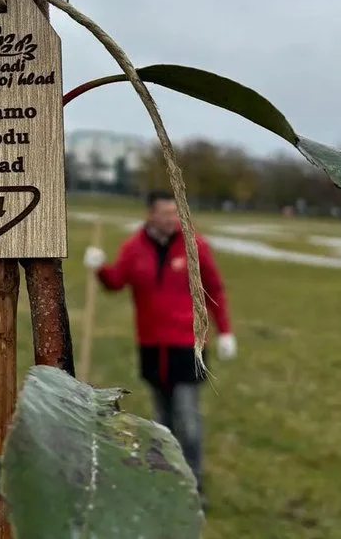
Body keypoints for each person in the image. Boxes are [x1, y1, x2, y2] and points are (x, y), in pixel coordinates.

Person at [83, 190, 236, 504]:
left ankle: (193, 486)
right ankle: (165, 479)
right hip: (152, 347)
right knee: (161, 421)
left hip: (187, 346)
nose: (171, 219)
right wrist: (100, 268)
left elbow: (215, 287)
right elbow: (116, 282)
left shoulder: (195, 246)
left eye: (174, 213)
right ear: (150, 214)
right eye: (165, 213)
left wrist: (225, 332)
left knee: (187, 418)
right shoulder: (133, 248)